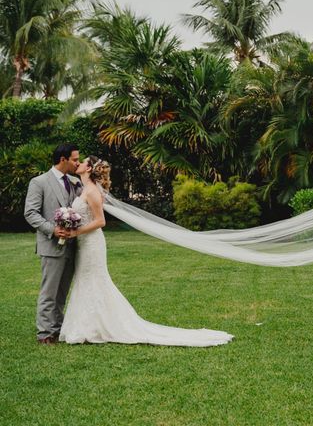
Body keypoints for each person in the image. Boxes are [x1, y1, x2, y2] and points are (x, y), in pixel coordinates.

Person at [59, 155, 233, 347]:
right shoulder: (85, 188)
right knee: (86, 279)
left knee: (94, 280)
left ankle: (95, 327)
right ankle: (90, 325)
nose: (79, 164)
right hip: (85, 243)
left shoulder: (91, 191)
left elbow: (101, 221)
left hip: (92, 243)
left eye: (82, 162)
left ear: (89, 169)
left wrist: (76, 231)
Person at [24, 143, 82, 344]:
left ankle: (56, 328)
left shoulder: (75, 182)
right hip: (51, 245)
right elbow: (30, 213)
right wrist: (52, 229)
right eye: (75, 159)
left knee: (62, 291)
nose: (78, 163)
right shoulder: (39, 182)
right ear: (63, 159)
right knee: (49, 291)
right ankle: (45, 334)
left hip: (73, 246)